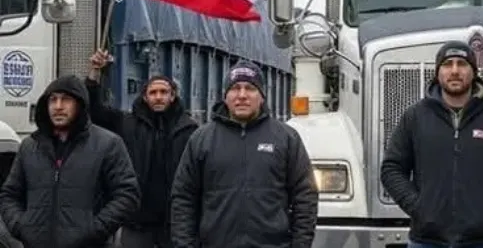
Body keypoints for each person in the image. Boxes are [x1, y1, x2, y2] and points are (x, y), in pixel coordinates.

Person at [380, 40, 483, 248]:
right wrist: (418, 206)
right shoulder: (415, 117)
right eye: (447, 64)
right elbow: (392, 168)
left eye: (462, 64)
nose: (454, 71)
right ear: (437, 72)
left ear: (474, 71)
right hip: (426, 241)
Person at [170, 60, 318, 248]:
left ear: (262, 96)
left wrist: (301, 244)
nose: (242, 95)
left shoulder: (286, 138)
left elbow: (305, 195)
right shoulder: (201, 139)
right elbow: (183, 197)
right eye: (235, 88)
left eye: (250, 88)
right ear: (225, 96)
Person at [0, 75, 141, 248]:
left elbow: (127, 195)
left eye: (66, 100)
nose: (58, 107)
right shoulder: (29, 147)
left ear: (80, 105)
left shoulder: (108, 144)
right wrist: (21, 227)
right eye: (53, 100)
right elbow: (9, 195)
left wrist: (94, 230)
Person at [85, 49, 199, 248]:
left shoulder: (189, 130)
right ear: (145, 97)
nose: (158, 97)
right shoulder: (127, 123)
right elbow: (94, 111)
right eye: (153, 93)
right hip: (137, 221)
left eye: (164, 92)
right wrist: (95, 74)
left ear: (173, 97)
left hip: (174, 223)